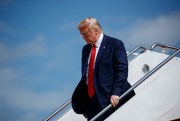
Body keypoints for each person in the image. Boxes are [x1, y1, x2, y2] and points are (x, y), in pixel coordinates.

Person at [72, 17, 135, 121]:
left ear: (96, 31)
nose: (83, 37)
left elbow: (122, 70)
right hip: (93, 104)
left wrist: (116, 93)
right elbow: (86, 77)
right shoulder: (86, 49)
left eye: (85, 34)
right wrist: (85, 105)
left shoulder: (115, 44)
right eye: (81, 34)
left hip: (112, 99)